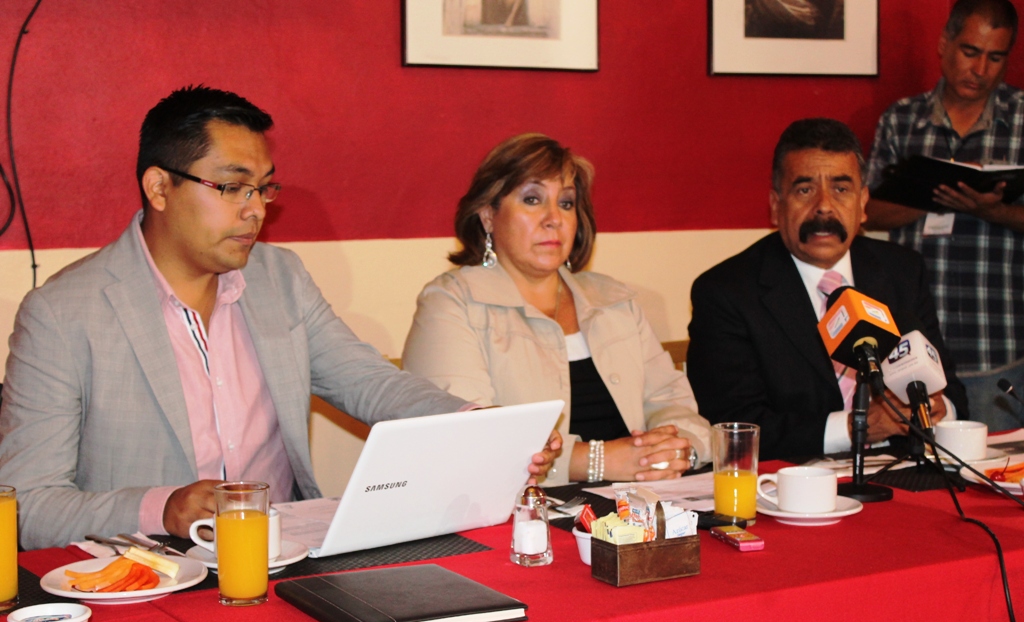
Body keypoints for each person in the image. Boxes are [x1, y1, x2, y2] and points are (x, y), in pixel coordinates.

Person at [0, 86, 558, 550]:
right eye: (232, 187)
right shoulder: (63, 314)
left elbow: (369, 382)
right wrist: (163, 507)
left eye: (263, 188)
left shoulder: (281, 279)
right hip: (147, 573)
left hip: (286, 556)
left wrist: (478, 423)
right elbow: (29, 506)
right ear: (159, 187)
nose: (256, 210)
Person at [402, 133, 711, 485]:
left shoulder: (613, 299)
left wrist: (677, 449)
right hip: (523, 509)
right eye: (532, 199)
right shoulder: (450, 302)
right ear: (488, 216)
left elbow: (672, 402)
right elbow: (467, 440)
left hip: (640, 501)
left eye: (566, 203)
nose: (553, 218)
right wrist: (596, 461)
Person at [688, 118, 968, 462]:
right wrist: (856, 427)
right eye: (804, 190)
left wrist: (938, 409)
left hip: (904, 468)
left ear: (862, 204)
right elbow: (733, 427)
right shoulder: (727, 292)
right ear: (776, 206)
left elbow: (953, 393)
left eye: (841, 189)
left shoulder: (902, 271)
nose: (824, 206)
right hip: (795, 477)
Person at [865, 0, 1024, 431]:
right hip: (912, 349)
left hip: (997, 344)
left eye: (996, 57)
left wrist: (995, 211)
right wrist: (934, 193)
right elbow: (865, 212)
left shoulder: (1021, 119)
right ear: (944, 44)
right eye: (970, 52)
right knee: (915, 468)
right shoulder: (902, 120)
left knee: (997, 469)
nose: (981, 69)